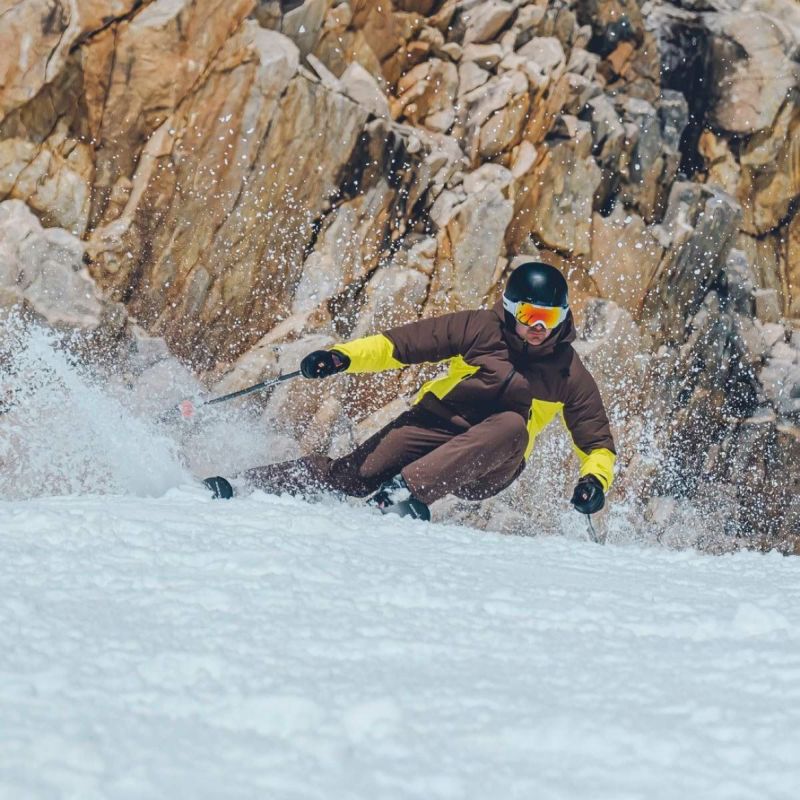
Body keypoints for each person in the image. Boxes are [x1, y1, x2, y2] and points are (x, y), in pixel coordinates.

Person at [204, 261, 616, 521]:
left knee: (512, 425)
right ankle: (243, 486)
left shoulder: (568, 372)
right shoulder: (479, 329)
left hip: (488, 464)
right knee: (351, 477)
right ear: (510, 310)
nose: (539, 328)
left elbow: (597, 443)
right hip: (435, 426)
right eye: (529, 315)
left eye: (550, 318)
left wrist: (594, 482)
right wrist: (340, 357)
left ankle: (401, 496)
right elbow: (400, 345)